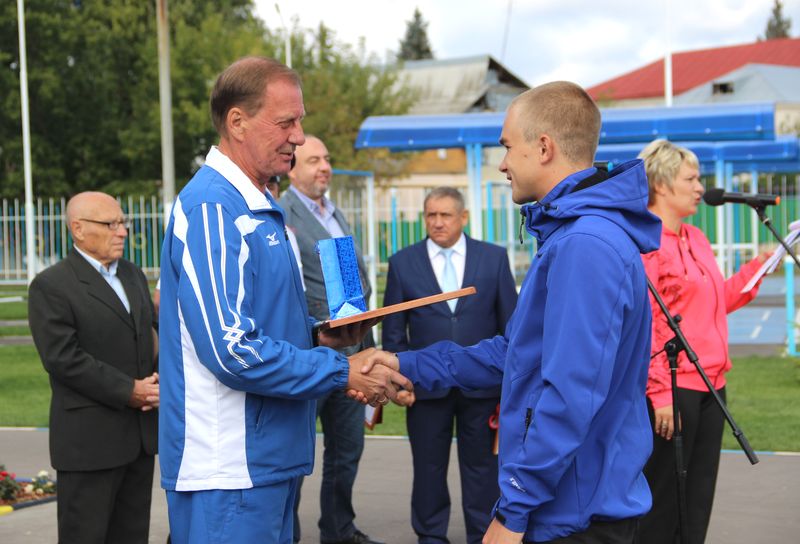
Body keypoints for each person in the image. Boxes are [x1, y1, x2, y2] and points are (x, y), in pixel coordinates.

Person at [354, 81, 662, 543]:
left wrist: (514, 508)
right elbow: (515, 354)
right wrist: (405, 362)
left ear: (543, 148)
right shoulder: (570, 234)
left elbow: (570, 395)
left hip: (574, 516)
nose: (501, 163)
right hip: (569, 504)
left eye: (506, 147)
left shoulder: (585, 245)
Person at [157, 57, 410, 544]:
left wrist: (322, 335)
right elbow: (232, 348)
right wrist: (342, 370)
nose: (298, 136)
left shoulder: (257, 204)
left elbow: (257, 324)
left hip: (267, 465)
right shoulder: (213, 208)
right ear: (237, 122)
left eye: (301, 121)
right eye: (286, 122)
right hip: (229, 473)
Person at [635, 139, 769, 544]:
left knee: (697, 500)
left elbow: (718, 300)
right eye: (690, 179)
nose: (699, 187)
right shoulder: (647, 243)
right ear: (660, 184)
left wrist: (763, 264)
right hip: (673, 390)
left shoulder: (695, 237)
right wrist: (659, 392)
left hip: (713, 386)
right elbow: (649, 324)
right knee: (663, 500)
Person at [381, 186, 517, 544]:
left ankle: (481, 535)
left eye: (445, 215)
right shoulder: (402, 262)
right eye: (431, 215)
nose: (437, 223)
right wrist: (400, 382)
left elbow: (511, 326)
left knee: (483, 472)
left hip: (483, 391)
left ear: (463, 218)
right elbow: (394, 333)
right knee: (428, 470)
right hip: (425, 389)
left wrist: (509, 384)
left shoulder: (493, 258)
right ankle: (430, 536)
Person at [28, 191, 159, 543]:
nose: (122, 232)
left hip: (139, 439)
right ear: (78, 229)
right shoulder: (52, 286)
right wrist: (129, 390)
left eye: (122, 222)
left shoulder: (132, 275)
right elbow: (63, 359)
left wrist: (156, 379)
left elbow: (147, 334)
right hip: (89, 445)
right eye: (111, 224)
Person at [280, 135, 382, 544]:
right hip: (311, 353)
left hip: (352, 353)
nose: (324, 167)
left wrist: (368, 343)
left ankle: (338, 531)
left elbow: (354, 286)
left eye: (327, 159)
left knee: (346, 451)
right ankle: (286, 534)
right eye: (313, 161)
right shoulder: (282, 214)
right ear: (292, 169)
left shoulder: (335, 214)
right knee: (295, 454)